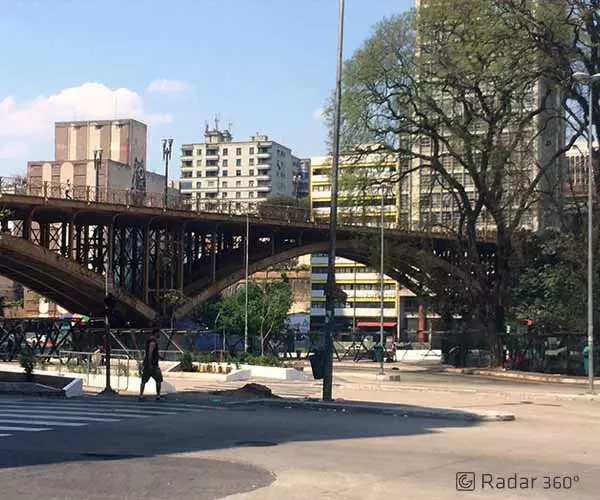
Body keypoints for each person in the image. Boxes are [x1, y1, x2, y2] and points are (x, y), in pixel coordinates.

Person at [139, 331, 163, 400]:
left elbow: (153, 353)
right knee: (158, 380)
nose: (159, 335)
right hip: (153, 365)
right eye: (158, 333)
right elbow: (150, 353)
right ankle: (158, 395)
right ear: (156, 333)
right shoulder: (153, 342)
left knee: (144, 380)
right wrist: (150, 364)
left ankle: (141, 395)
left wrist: (160, 357)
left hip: (148, 364)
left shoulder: (149, 341)